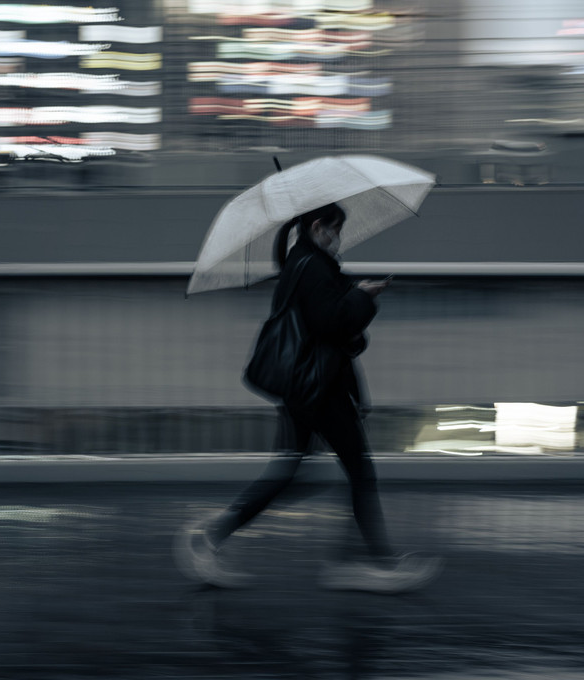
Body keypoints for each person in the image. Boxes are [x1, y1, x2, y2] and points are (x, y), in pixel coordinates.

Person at [174, 203, 441, 593]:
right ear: (318, 227)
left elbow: (333, 330)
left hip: (307, 388)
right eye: (336, 229)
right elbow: (332, 323)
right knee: (360, 473)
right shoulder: (312, 268)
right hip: (319, 390)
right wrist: (364, 297)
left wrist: (354, 299)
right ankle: (366, 561)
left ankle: (212, 535)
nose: (338, 238)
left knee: (289, 472)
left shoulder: (303, 265)